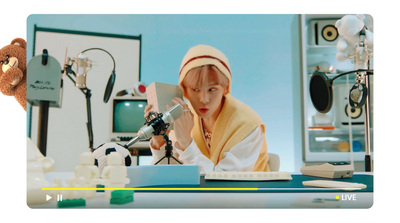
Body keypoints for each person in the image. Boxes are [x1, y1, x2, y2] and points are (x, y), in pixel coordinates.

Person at [146, 45, 270, 173]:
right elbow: (169, 175)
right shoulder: (182, 119)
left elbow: (223, 184)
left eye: (212, 89)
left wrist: (186, 143)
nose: (204, 99)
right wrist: (160, 142)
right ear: (185, 91)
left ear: (225, 88)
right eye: (195, 89)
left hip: (251, 192)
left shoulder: (248, 125)